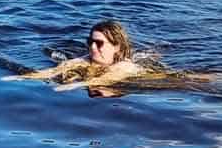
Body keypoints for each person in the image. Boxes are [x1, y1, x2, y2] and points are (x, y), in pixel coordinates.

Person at [9, 19, 146, 93]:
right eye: (90, 42)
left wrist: (74, 85)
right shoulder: (85, 59)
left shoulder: (125, 66)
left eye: (99, 43)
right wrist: (21, 77)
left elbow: (106, 79)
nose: (92, 47)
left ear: (116, 47)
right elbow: (53, 71)